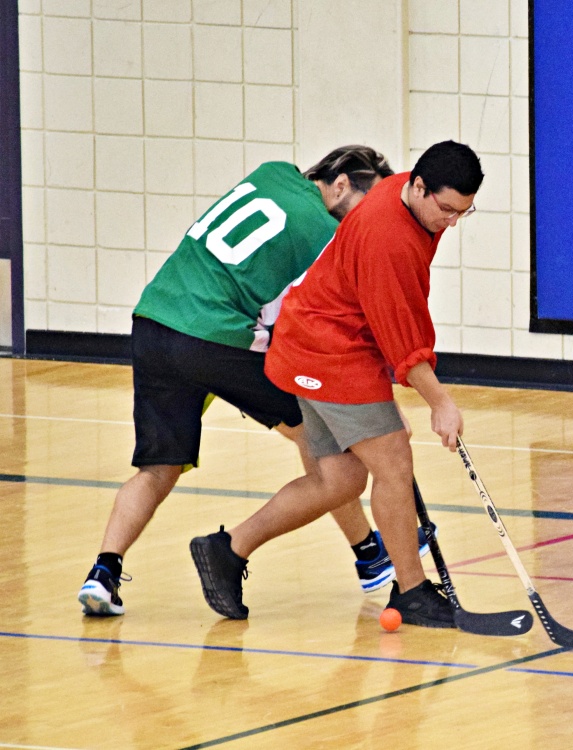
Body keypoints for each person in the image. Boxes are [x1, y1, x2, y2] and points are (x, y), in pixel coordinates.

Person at [77, 145, 426, 617]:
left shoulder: (273, 174)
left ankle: (104, 571)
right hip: (216, 337)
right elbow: (296, 323)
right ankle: (368, 556)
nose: (356, 226)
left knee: (159, 468)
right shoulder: (326, 237)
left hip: (154, 321)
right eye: (358, 212)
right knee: (329, 447)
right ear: (341, 185)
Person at [188, 140, 484, 626]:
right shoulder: (388, 237)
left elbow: (391, 319)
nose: (451, 222)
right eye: (447, 210)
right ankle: (410, 592)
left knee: (340, 478)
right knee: (392, 460)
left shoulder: (410, 203)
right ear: (418, 185)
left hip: (317, 341)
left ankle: (227, 549)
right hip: (328, 353)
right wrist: (441, 403)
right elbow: (404, 342)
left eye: (462, 214)